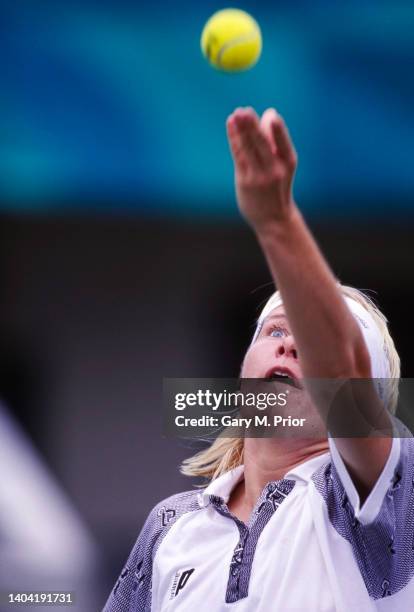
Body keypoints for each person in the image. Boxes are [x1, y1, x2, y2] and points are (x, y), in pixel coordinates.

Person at [103, 107, 412, 611]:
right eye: (273, 331)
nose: (290, 345)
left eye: (311, 340)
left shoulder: (379, 506)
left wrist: (277, 222)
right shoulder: (170, 528)